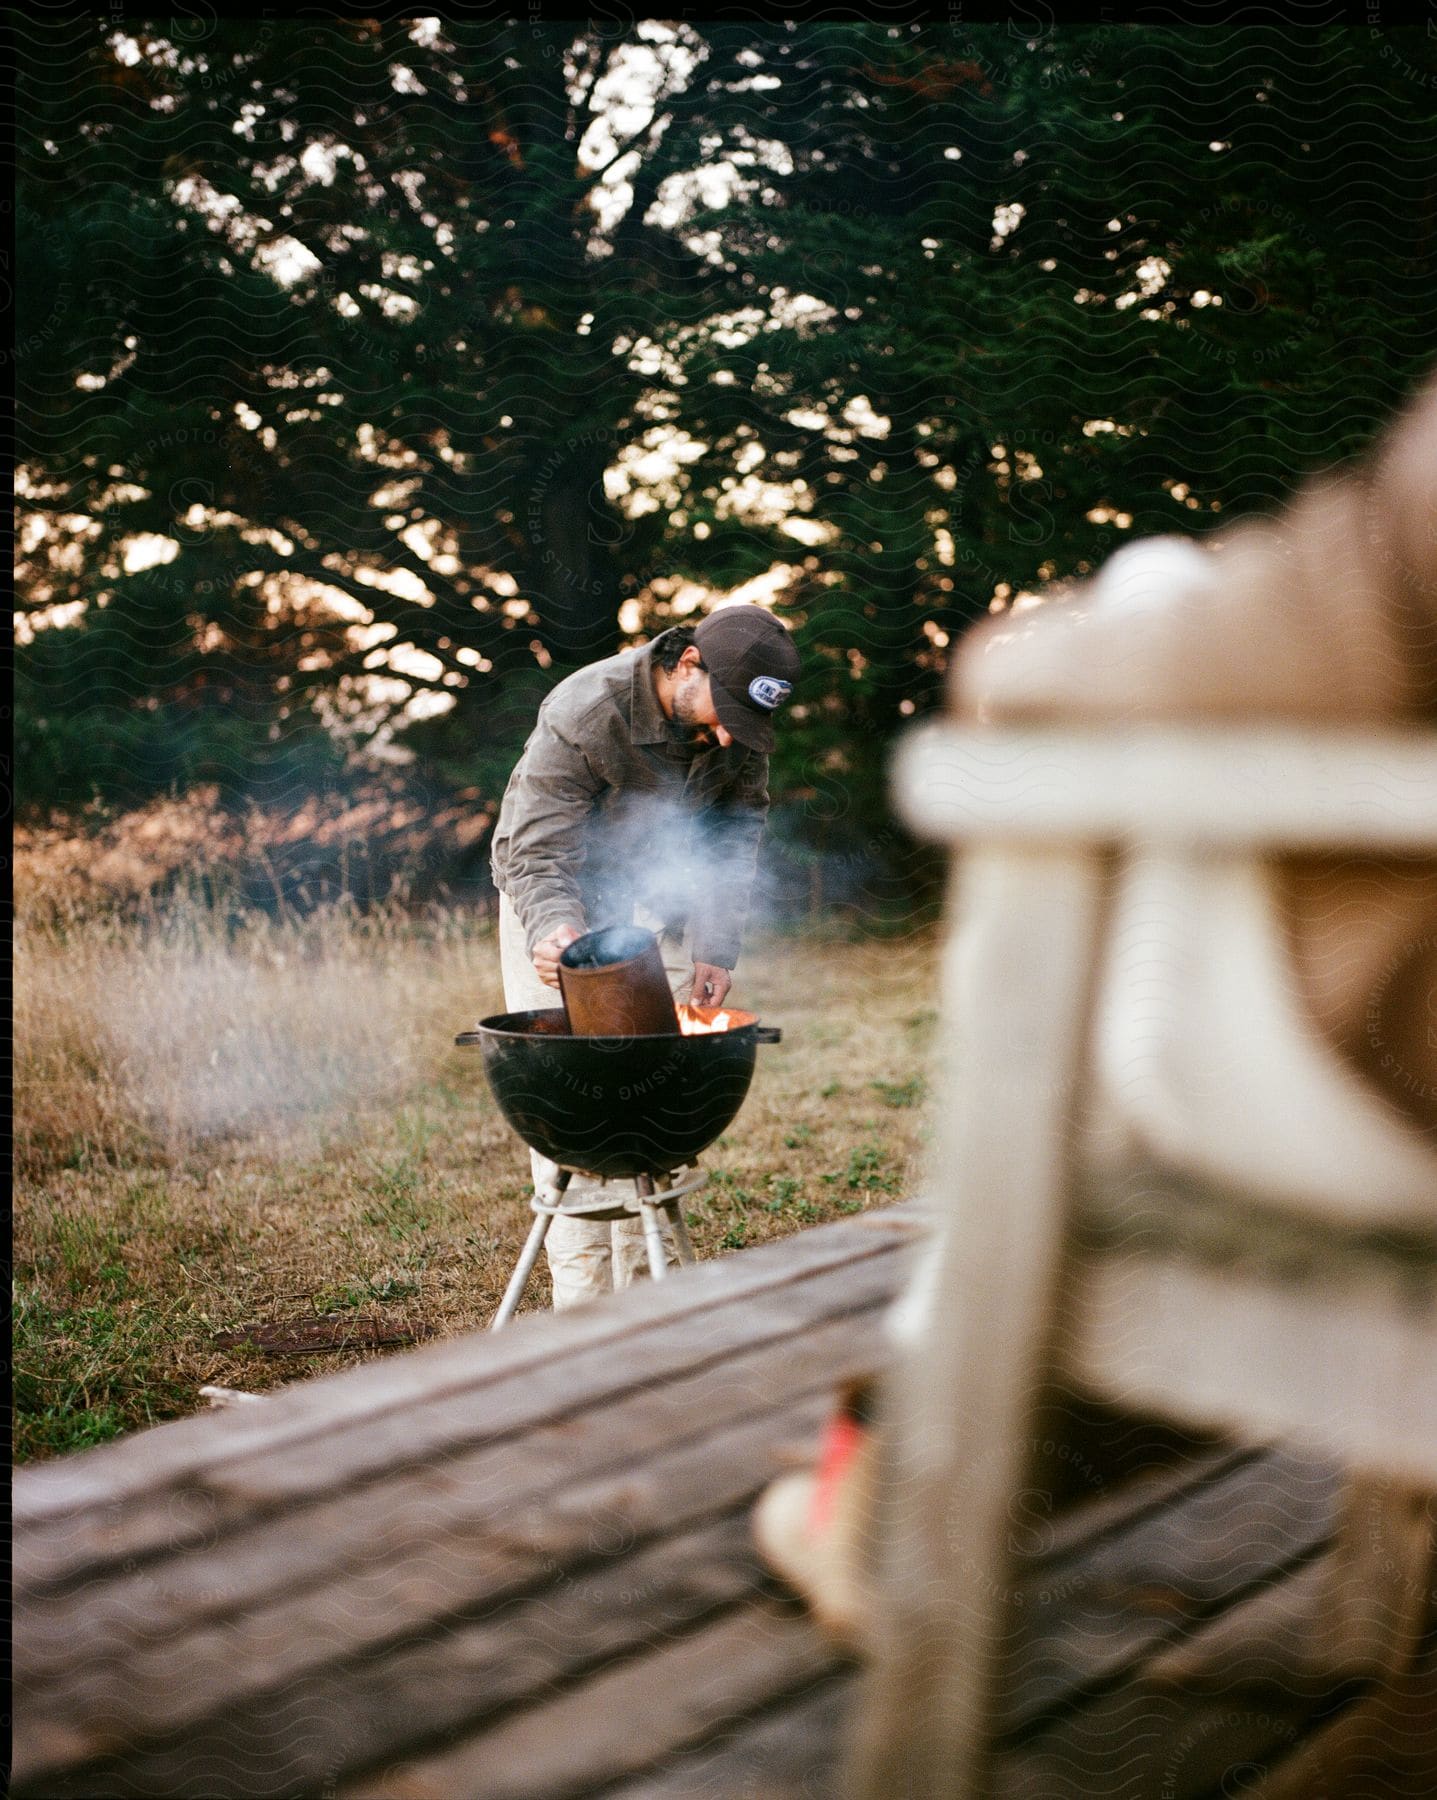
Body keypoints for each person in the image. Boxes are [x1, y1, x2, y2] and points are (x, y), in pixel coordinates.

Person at [753, 376, 1437, 1641]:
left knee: (1150, 598)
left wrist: (1020, 659)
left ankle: (909, 1473)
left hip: (1397, 1093)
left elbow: (1347, 608)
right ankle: (910, 1447)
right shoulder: (596, 720)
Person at [490, 603, 801, 1309]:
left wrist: (716, 944)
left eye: (743, 725)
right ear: (687, 663)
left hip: (652, 908)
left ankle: (641, 1302)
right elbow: (534, 851)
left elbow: (734, 832)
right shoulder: (587, 708)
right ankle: (582, 1309)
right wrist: (554, 929)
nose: (728, 735)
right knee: (572, 1098)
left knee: (651, 1091)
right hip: (556, 901)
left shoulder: (737, 726)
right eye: (721, 712)